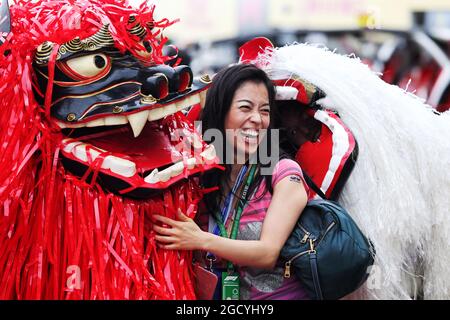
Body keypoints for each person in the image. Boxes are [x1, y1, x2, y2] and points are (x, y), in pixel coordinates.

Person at [152, 64, 310, 300]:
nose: (257, 119)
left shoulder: (285, 173)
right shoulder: (200, 174)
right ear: (221, 112)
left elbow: (268, 253)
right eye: (245, 108)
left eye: (265, 111)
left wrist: (201, 240)